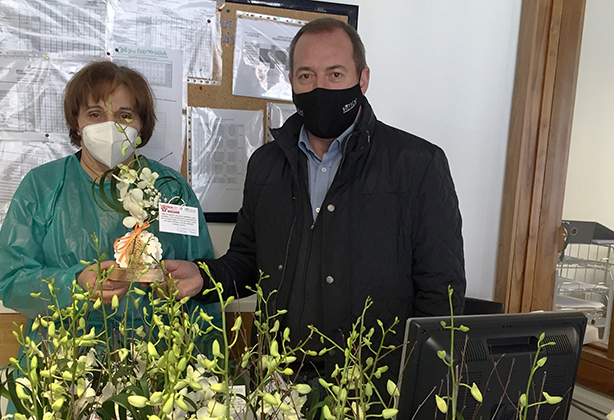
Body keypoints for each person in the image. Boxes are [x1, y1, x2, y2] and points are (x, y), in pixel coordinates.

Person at [165, 17, 465, 376]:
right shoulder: (265, 164)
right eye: (306, 75)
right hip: (279, 382)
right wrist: (202, 276)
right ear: (291, 81)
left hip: (373, 389)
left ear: (362, 79)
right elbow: (248, 260)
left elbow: (441, 293)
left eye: (335, 74)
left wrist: (419, 385)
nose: (319, 87)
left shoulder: (417, 164)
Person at [0, 61, 218, 420]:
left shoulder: (172, 190)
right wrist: (73, 282)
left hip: (159, 368)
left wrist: (207, 374)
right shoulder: (43, 188)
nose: (110, 127)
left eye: (124, 114)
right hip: (64, 365)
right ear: (76, 123)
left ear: (142, 123)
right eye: (95, 114)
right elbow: (11, 280)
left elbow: (204, 280)